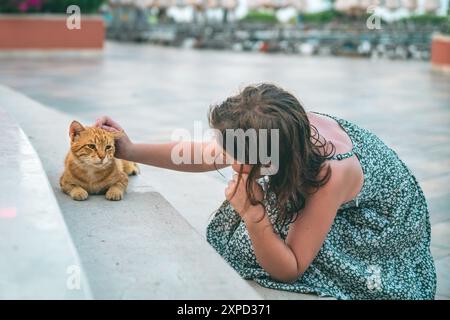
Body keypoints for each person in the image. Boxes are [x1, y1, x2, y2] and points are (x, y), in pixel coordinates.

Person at [94, 83, 436, 299]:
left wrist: (253, 216)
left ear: (271, 160)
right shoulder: (283, 128)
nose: (226, 158)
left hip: (383, 227)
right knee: (251, 238)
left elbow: (291, 267)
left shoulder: (330, 173)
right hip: (324, 184)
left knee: (256, 243)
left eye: (238, 157)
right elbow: (205, 154)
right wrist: (130, 149)